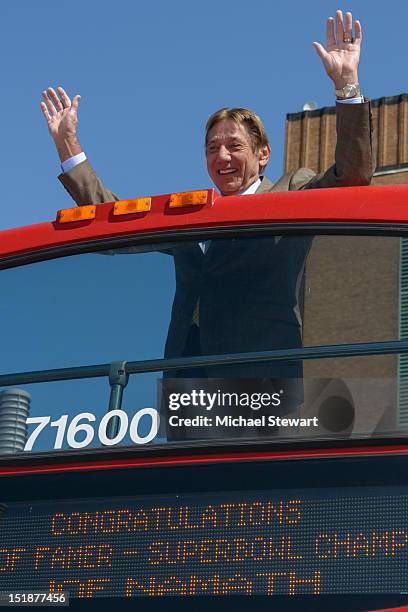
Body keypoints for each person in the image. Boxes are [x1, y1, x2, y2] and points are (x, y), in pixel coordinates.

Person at [40, 10, 375, 430]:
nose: (222, 157)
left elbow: (353, 174)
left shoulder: (291, 193)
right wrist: (69, 147)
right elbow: (116, 231)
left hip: (261, 377)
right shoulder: (192, 216)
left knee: (256, 486)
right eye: (212, 148)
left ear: (262, 154)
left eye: (234, 146)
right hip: (187, 380)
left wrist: (347, 87)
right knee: (184, 491)